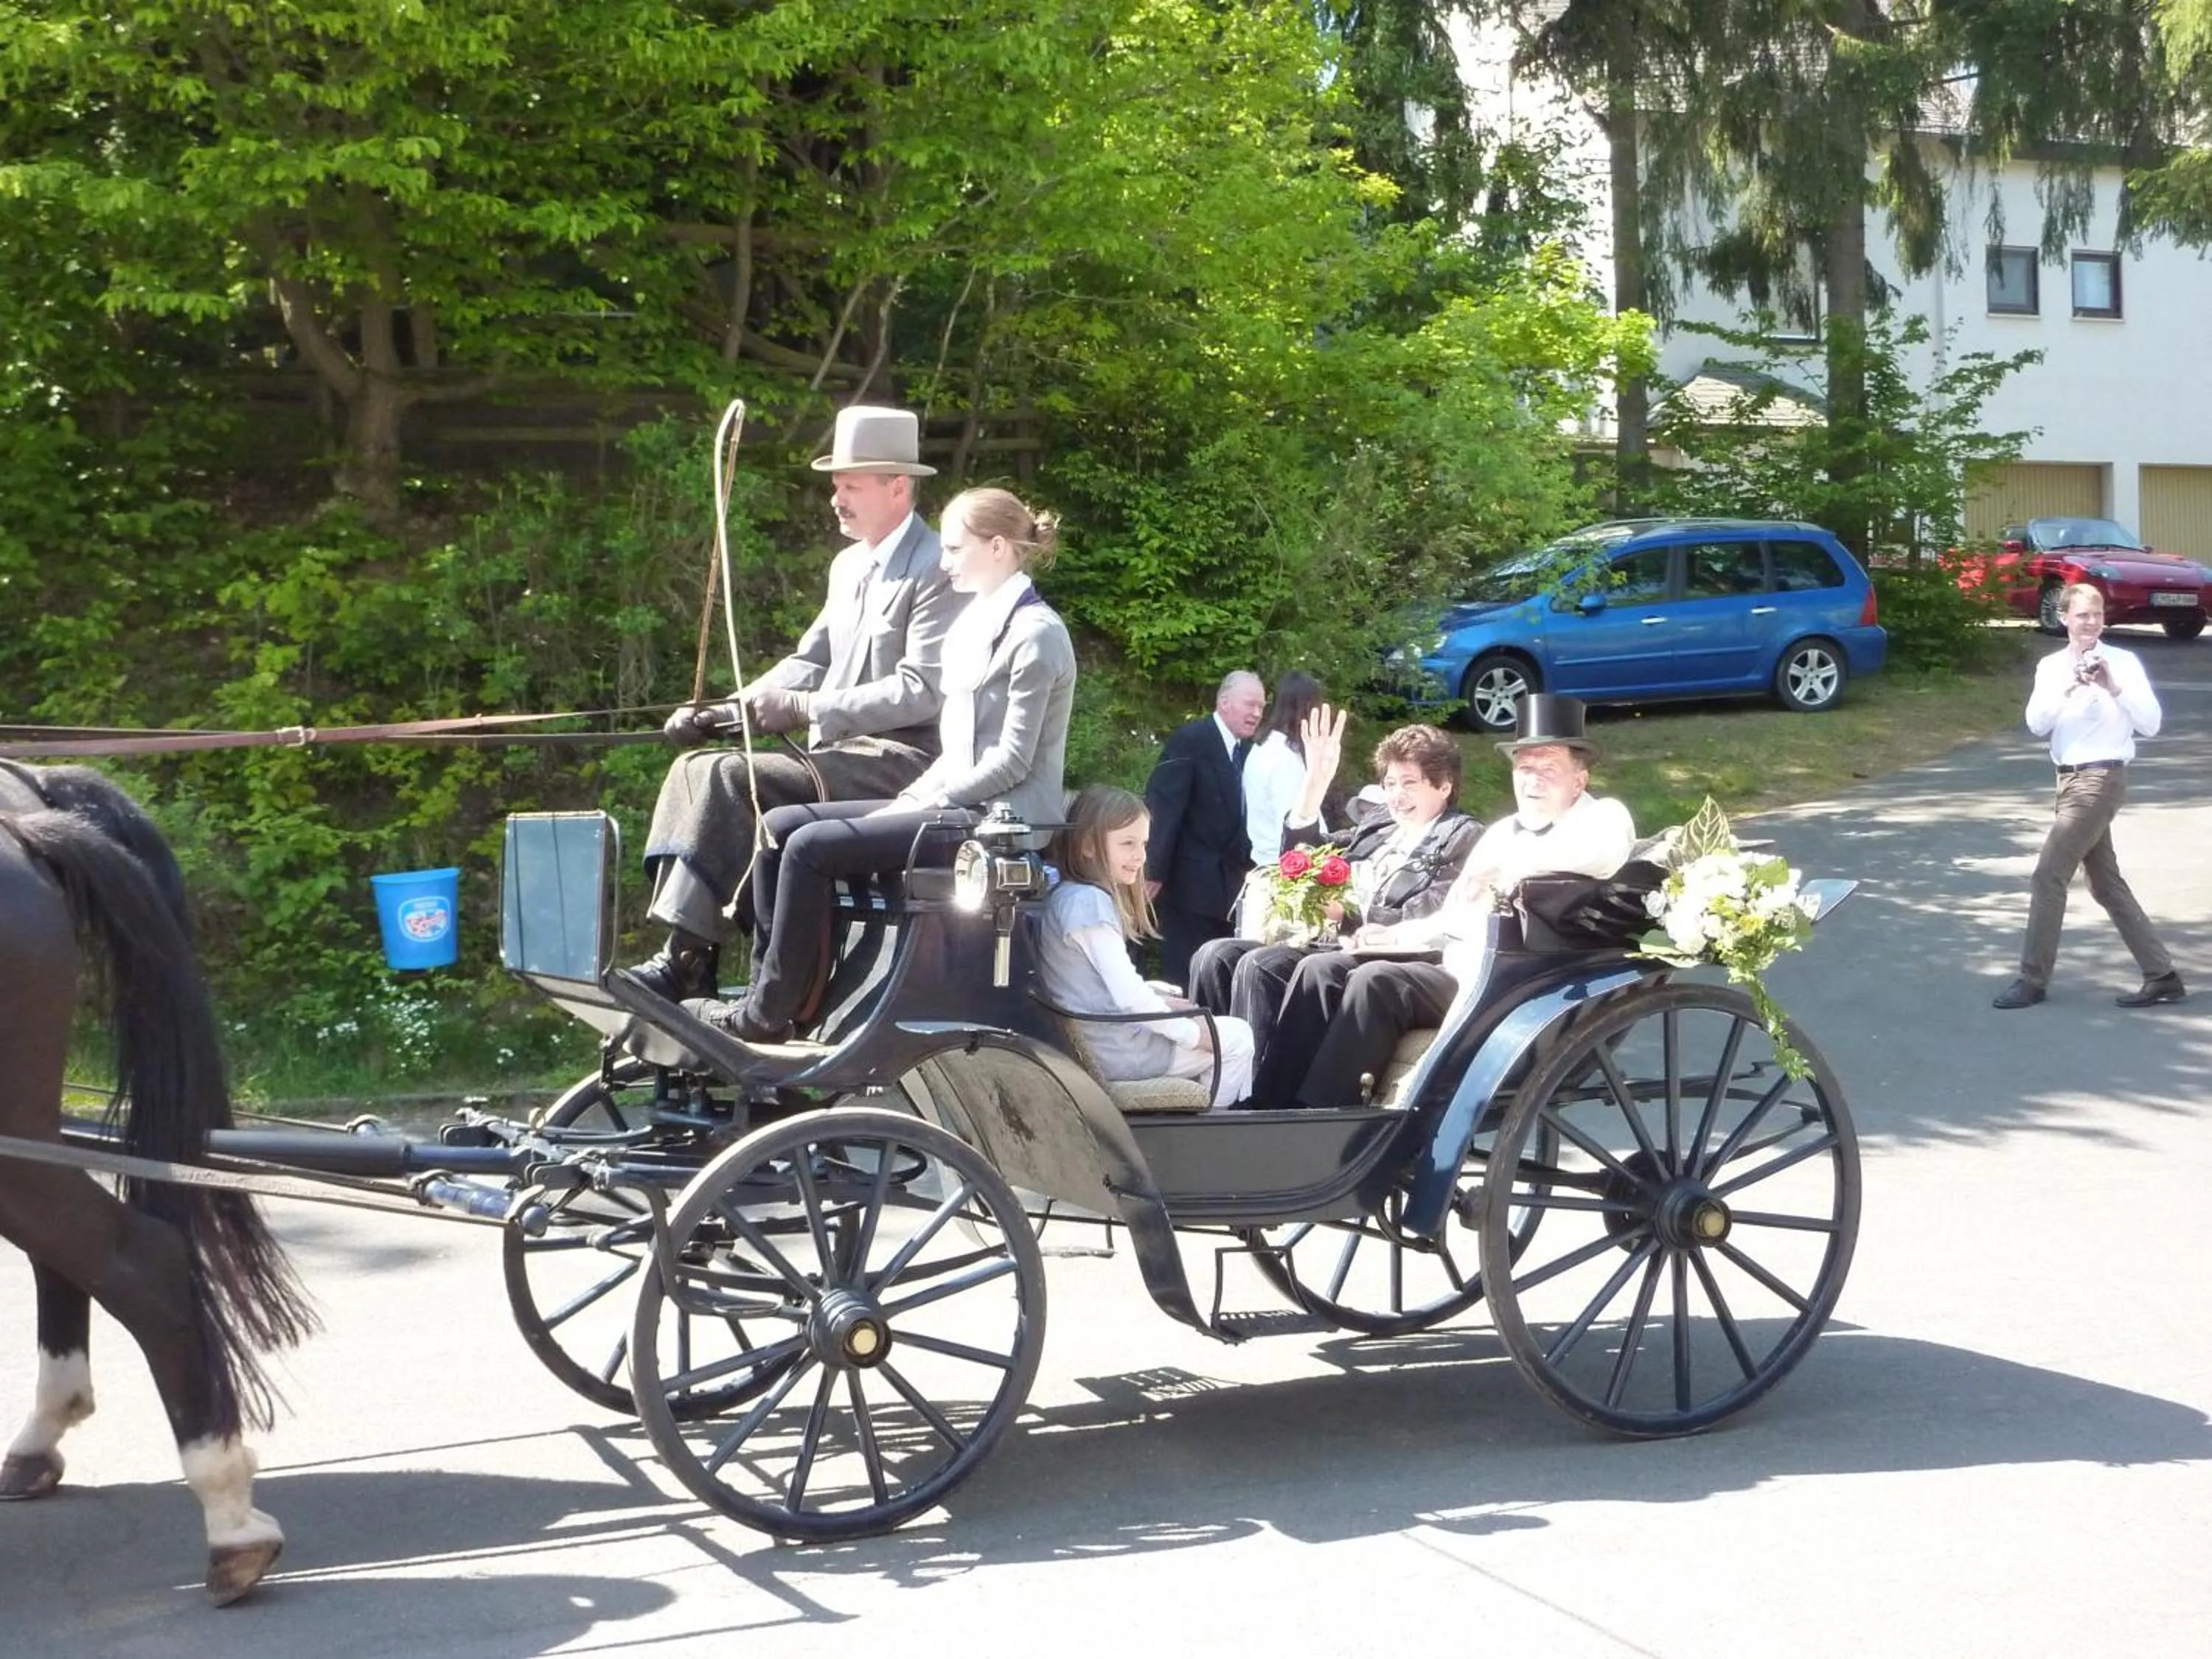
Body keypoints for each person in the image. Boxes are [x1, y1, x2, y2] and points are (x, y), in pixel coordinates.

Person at [695, 487, 1077, 1041]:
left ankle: (769, 1013)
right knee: (780, 828)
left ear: (997, 548)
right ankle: (773, 994)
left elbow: (1012, 763)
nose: (943, 563)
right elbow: (957, 753)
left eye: (954, 549)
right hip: (959, 805)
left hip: (1001, 824)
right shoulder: (975, 627)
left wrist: (926, 800)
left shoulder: (1038, 636)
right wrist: (912, 797)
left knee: (810, 847)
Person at [628, 405, 964, 1001]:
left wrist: (807, 710)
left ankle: (685, 963)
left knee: (730, 778)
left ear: (898, 486)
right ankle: (690, 957)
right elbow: (809, 661)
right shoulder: (848, 567)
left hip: (906, 762)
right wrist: (723, 711)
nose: (837, 497)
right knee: (694, 768)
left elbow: (921, 689)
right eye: (835, 484)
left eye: (851, 485)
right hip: (843, 754)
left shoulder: (937, 568)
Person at [1256, 693, 1635, 1109]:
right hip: (1466, 967)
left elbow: (1601, 853)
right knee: (1328, 969)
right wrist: (1393, 935)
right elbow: (1453, 915)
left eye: (1549, 769)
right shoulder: (1503, 831)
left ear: (1578, 781)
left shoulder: (1603, 817)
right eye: (1525, 769)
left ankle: (1326, 1115)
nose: (1533, 780)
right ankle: (1274, 1105)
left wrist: (1511, 868)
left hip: (1524, 984)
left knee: (1376, 982)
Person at [1189, 714, 1480, 1074]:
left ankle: (1257, 1093)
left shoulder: (1462, 836)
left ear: (1444, 786)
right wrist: (1314, 785)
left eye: (1409, 784)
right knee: (1215, 955)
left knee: (1261, 965)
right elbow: (1305, 857)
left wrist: (1349, 915)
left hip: (1394, 956)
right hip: (1331, 942)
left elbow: (1429, 912)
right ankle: (1206, 1075)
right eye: (1390, 784)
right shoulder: (1380, 825)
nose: (1396, 796)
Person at [1993, 582, 2185, 1009]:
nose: (2091, 623)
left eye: (2097, 614)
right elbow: (2037, 724)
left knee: (2048, 876)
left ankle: (2032, 979)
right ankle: (2163, 976)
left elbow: (2152, 723)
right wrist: (2071, 687)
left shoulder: (2124, 662)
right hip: (2068, 780)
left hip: (2102, 780)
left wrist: (2113, 686)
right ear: (2064, 619)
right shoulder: (2051, 667)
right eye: (2082, 615)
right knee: (2105, 883)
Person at [1035, 785, 1256, 1110]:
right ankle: (1209, 1140)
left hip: (1102, 1040)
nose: (1140, 856)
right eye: (1127, 844)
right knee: (1238, 1038)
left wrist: (1155, 996)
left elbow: (1093, 983)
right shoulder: (1089, 904)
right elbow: (1129, 999)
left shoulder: (1067, 895)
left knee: (1217, 1029)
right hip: (1116, 1051)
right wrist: (1191, 1035)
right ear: (1087, 846)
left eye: (1143, 844)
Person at [1143, 670, 1267, 986]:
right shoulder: (1193, 739)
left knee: (1218, 979)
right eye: (1250, 704)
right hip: (1189, 884)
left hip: (1229, 888)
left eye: (1262, 707)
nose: (1256, 714)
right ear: (1224, 702)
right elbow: (1164, 804)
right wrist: (1152, 870)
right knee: (1186, 976)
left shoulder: (1249, 752)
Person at [1242, 669, 1329, 863]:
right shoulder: (1283, 759)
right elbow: (1296, 829)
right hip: (1284, 871)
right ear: (1307, 709)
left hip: (1270, 862)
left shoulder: (1263, 746)